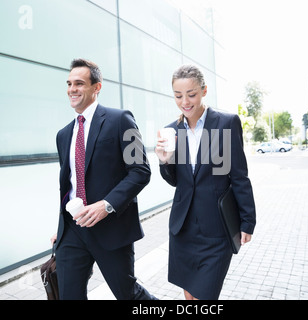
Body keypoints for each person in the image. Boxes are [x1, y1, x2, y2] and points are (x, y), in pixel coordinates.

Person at [51, 58, 156, 300]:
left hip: (111, 227)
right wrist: (60, 227)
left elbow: (140, 171)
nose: (72, 89)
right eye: (69, 83)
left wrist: (107, 205)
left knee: (128, 294)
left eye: (79, 83)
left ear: (97, 87)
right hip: (73, 230)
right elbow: (70, 185)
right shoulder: (63, 135)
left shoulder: (122, 119)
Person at [155, 65, 256, 300]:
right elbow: (176, 181)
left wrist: (248, 220)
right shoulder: (172, 130)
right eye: (178, 96)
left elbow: (239, 175)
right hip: (183, 228)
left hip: (216, 229)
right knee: (189, 295)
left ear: (204, 91)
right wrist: (164, 161)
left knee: (204, 296)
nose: (185, 102)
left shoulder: (226, 123)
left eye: (191, 94)